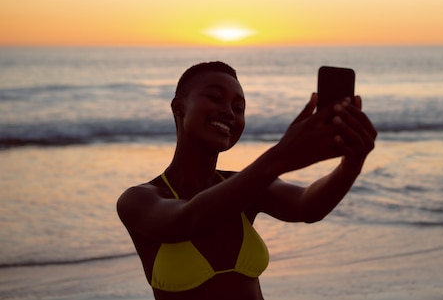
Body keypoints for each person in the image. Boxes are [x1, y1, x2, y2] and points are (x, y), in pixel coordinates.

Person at [117, 61, 377, 300]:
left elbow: (307, 205)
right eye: (215, 97)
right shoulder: (138, 200)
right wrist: (280, 157)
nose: (229, 112)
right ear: (178, 107)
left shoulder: (246, 186)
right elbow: (189, 220)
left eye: (238, 108)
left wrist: (351, 165)